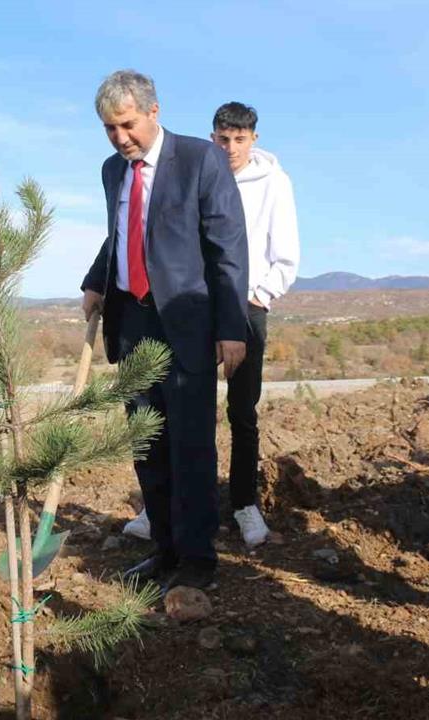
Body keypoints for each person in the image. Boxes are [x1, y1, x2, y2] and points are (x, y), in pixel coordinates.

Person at [81, 70, 249, 593]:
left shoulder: (200, 159)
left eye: (127, 124)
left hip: (186, 324)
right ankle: (166, 548)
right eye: (110, 129)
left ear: (154, 112)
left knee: (191, 445)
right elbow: (120, 236)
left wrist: (232, 328)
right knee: (146, 442)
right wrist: (95, 281)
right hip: (131, 322)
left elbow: (227, 250)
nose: (120, 137)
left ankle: (197, 560)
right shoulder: (114, 171)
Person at [121, 101, 299, 548]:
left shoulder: (273, 182)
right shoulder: (192, 169)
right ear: (213, 136)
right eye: (223, 139)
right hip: (190, 308)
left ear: (253, 139)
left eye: (240, 139)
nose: (231, 147)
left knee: (242, 411)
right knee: (175, 414)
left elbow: (285, 249)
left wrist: (257, 297)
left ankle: (244, 504)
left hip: (245, 308)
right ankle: (160, 509)